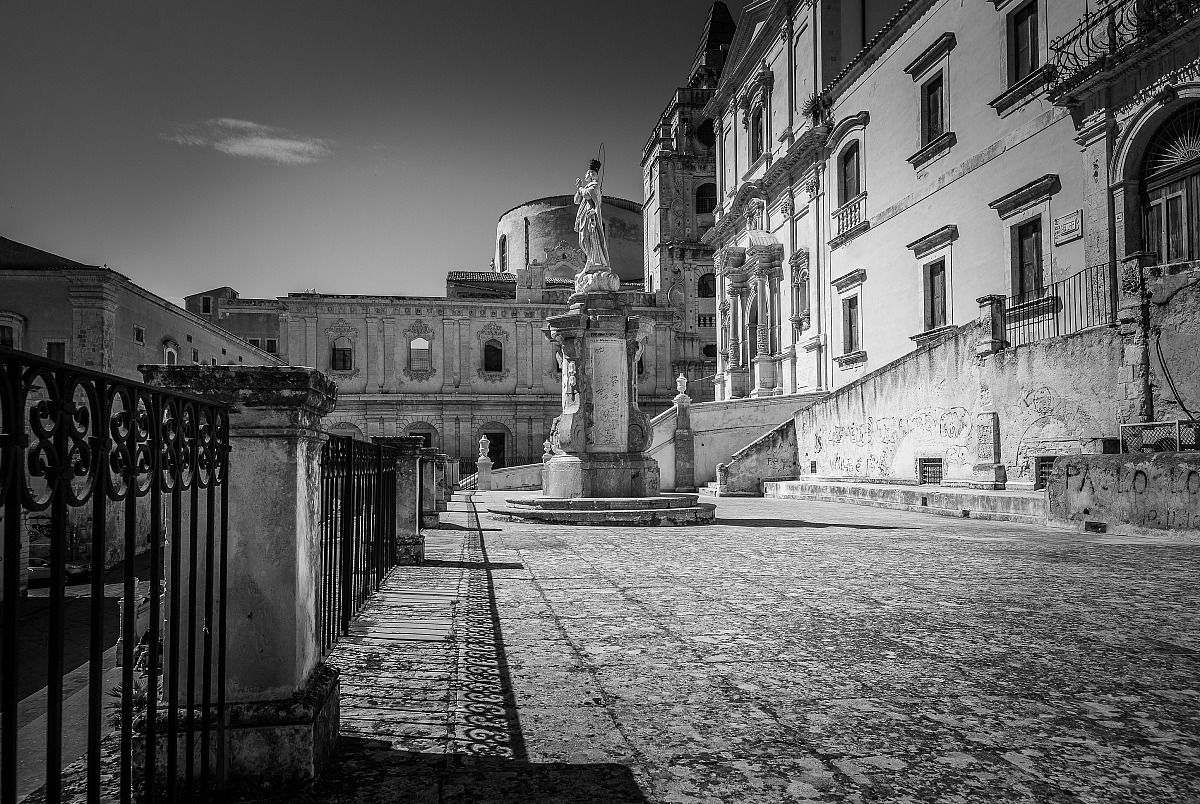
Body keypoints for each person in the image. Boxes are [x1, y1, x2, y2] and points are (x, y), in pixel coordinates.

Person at [574, 159, 610, 269]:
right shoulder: (586, 187)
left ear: (591, 175)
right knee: (582, 240)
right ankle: (590, 259)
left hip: (590, 216)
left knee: (586, 238)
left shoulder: (594, 185)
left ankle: (593, 260)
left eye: (586, 173)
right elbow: (576, 200)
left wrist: (580, 188)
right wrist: (579, 189)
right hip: (583, 216)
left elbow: (587, 195)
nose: (585, 175)